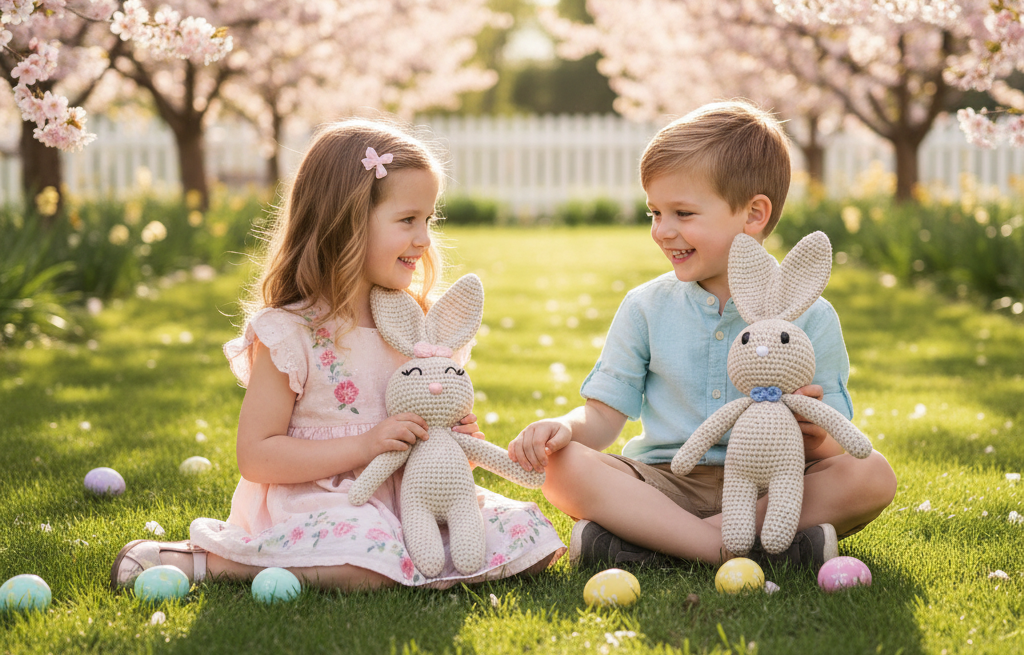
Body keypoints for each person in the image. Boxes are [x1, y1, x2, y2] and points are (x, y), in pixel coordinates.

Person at [111, 118, 564, 592]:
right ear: (346, 223)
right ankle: (212, 562)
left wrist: (453, 447)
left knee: (527, 538)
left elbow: (435, 436)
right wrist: (364, 446)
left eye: (428, 220)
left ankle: (406, 559)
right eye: (408, 220)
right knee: (363, 559)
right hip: (324, 500)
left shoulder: (421, 330)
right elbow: (256, 456)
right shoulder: (292, 333)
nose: (424, 239)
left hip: (411, 501)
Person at [506, 101, 897, 571]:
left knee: (872, 474)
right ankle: (735, 550)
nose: (662, 231)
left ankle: (656, 545)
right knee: (562, 466)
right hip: (664, 483)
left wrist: (815, 437)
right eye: (655, 212)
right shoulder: (646, 306)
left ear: (753, 214)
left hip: (771, 486)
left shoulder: (810, 315)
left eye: (683, 213)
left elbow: (839, 439)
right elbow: (603, 416)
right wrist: (565, 428)